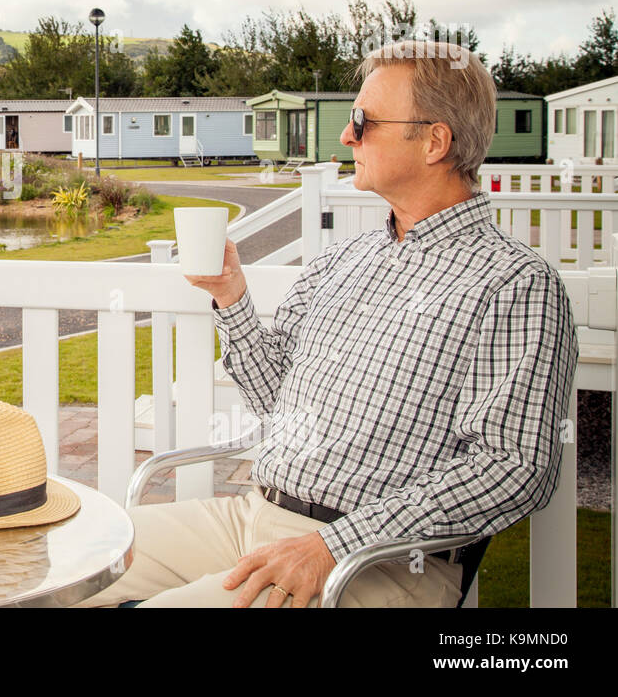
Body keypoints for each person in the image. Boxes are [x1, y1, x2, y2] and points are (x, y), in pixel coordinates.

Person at [80, 39, 578, 607]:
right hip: (251, 517)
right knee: (63, 561)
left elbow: (513, 469)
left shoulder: (512, 283)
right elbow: (277, 401)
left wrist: (334, 546)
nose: (346, 136)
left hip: (382, 561)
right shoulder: (343, 259)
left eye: (363, 121)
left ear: (435, 141)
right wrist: (231, 297)